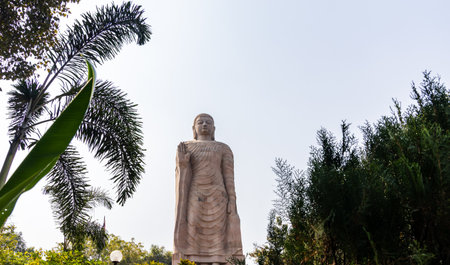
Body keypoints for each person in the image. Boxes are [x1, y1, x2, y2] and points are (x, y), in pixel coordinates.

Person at [173, 113, 244, 265]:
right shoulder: (186, 147)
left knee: (219, 232)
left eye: (208, 122)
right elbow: (181, 174)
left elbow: (229, 178)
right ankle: (192, 261)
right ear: (194, 128)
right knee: (192, 226)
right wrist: (183, 165)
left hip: (218, 195)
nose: (204, 125)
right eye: (200, 122)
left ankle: (218, 261)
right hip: (195, 193)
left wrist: (232, 200)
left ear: (214, 128)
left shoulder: (223, 148)